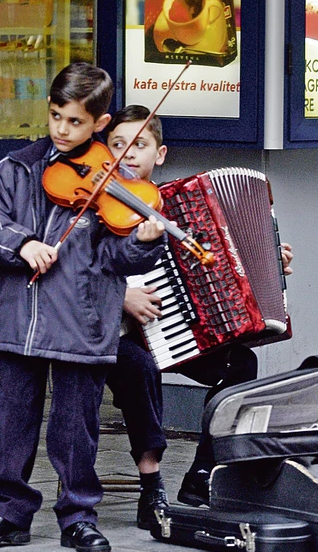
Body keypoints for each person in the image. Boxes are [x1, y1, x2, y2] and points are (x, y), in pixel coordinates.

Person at [0, 64, 166, 552]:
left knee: (77, 426)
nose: (61, 130)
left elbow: (116, 258)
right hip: (22, 317)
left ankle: (78, 515)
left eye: (75, 122)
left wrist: (142, 242)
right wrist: (23, 243)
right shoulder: (19, 167)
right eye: (56, 117)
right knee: (15, 419)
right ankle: (10, 512)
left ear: (100, 123)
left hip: (84, 318)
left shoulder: (116, 183)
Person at [103, 105, 294, 515]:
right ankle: (150, 483)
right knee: (139, 367)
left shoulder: (181, 204)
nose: (129, 154)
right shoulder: (96, 207)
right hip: (109, 333)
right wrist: (120, 295)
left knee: (241, 365)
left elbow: (222, 266)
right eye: (119, 145)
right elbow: (77, 266)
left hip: (170, 328)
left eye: (140, 145)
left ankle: (202, 474)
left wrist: (269, 262)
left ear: (161, 153)